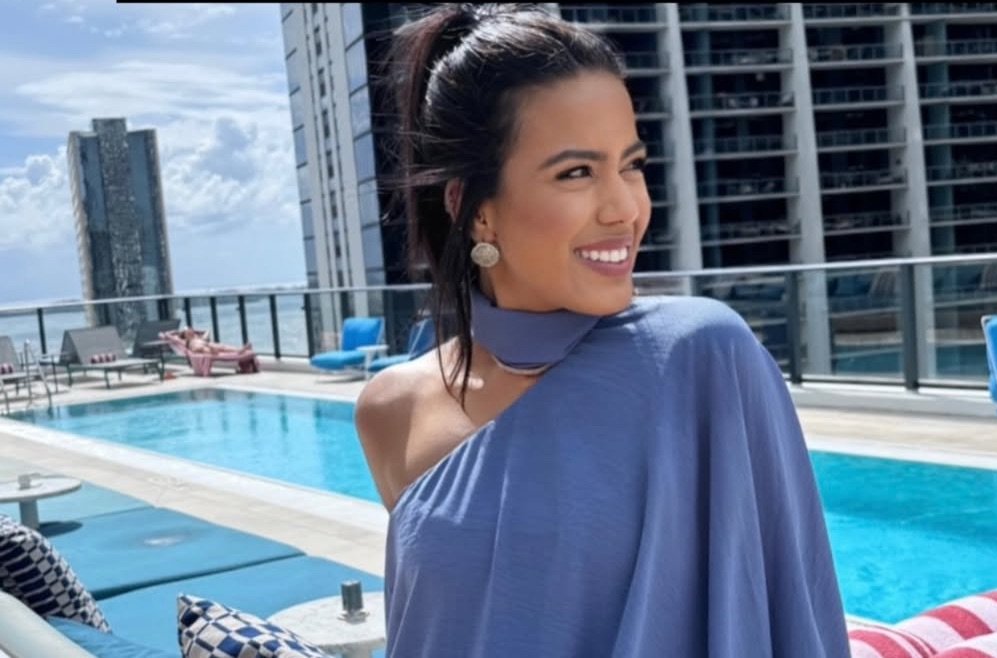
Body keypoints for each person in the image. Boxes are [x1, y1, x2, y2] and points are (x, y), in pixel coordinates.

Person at [354, 4, 851, 656]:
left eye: (631, 164)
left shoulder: (700, 357)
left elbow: (795, 615)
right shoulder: (392, 410)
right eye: (576, 173)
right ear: (473, 210)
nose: (625, 208)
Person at [177, 328, 251, 356]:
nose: (191, 331)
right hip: (200, 346)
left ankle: (239, 350)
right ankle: (239, 351)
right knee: (202, 347)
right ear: (185, 336)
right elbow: (193, 348)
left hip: (206, 344)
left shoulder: (198, 337)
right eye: (188, 332)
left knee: (222, 346)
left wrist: (198, 332)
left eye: (191, 330)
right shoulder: (188, 341)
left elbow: (207, 332)